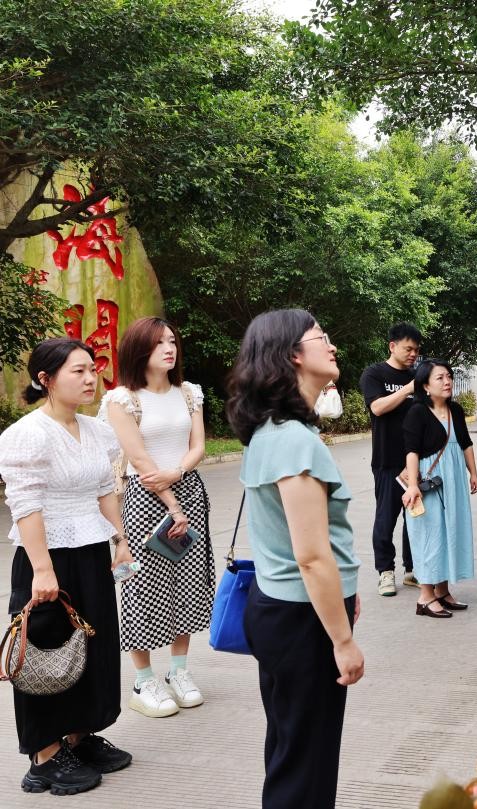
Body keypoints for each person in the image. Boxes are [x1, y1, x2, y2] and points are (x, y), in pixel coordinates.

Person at [227, 310, 364, 809]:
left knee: (293, 751)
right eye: (321, 337)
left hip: (287, 609)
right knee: (306, 762)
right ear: (293, 356)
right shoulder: (292, 441)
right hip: (301, 617)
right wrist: (343, 640)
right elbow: (310, 556)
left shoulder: (273, 431)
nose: (332, 346)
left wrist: (345, 594)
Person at [0, 338, 135, 795]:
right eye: (78, 371)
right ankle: (44, 755)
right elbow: (26, 505)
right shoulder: (28, 434)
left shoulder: (95, 430)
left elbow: (104, 490)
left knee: (92, 647)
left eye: (92, 369)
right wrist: (42, 570)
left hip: (91, 549)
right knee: (44, 650)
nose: (90, 378)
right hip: (46, 556)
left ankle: (77, 737)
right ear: (46, 379)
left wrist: (120, 540)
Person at [102, 317, 215, 718]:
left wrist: (178, 473)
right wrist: (172, 504)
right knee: (143, 588)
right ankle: (143, 680)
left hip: (188, 490)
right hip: (146, 500)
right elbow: (139, 459)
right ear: (139, 350)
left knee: (188, 583)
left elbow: (198, 446)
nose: (169, 349)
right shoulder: (122, 400)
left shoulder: (189, 393)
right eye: (158, 343)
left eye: (172, 341)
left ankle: (179, 671)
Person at [401, 360, 477, 618]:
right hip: (431, 483)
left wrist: (473, 473)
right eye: (440, 378)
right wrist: (413, 485)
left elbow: (466, 443)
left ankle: (442, 591)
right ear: (425, 385)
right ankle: (425, 597)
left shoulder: (455, 409)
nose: (447, 382)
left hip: (454, 481)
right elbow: (411, 451)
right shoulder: (417, 412)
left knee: (450, 532)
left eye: (449, 376)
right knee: (430, 534)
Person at [360, 323, 421, 597]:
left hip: (415, 462)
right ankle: (385, 572)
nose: (413, 354)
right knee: (386, 519)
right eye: (408, 349)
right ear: (392, 346)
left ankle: (413, 569)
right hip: (387, 461)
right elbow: (377, 407)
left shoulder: (417, 376)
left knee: (415, 518)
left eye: (416, 350)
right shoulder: (374, 374)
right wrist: (408, 388)